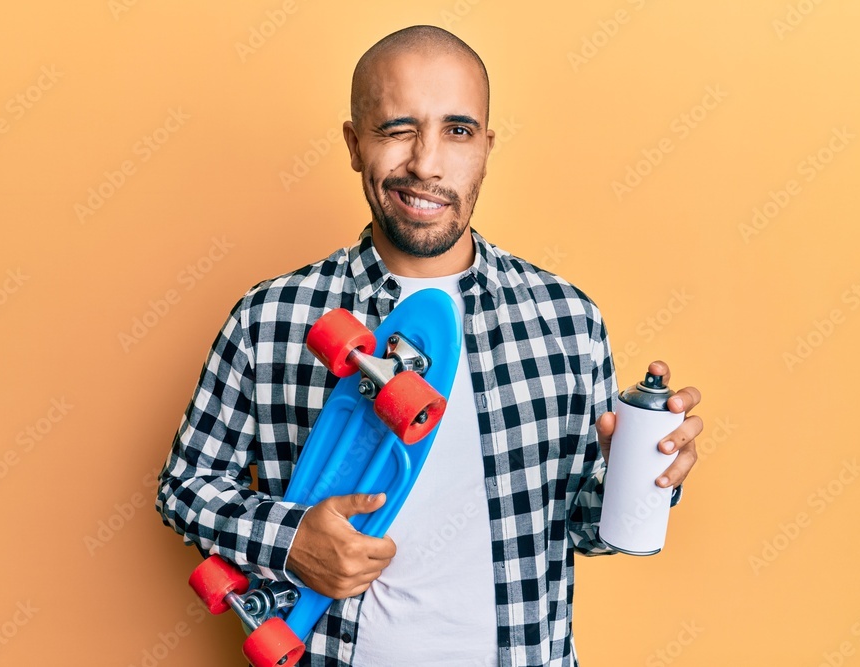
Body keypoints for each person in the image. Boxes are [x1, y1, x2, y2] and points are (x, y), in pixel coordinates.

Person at [156, 25, 703, 667]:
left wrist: (640, 476)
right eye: (397, 129)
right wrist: (290, 537)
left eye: (458, 131)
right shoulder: (272, 316)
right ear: (355, 144)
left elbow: (581, 530)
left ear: (487, 148)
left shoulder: (566, 319)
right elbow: (186, 486)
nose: (427, 163)